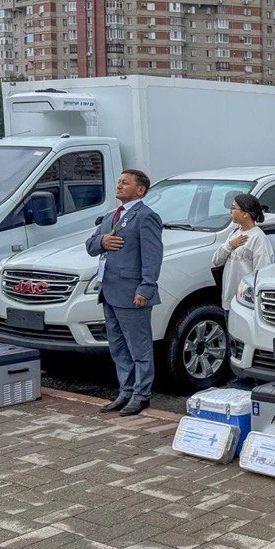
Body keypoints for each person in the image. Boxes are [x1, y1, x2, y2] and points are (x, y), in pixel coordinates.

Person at [86, 170, 164, 417]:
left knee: (139, 347)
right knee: (118, 346)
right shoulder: (111, 216)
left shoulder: (146, 217)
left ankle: (141, 395)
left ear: (140, 190)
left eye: (125, 183)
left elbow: (152, 257)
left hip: (132, 293)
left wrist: (146, 287)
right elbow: (90, 245)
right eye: (119, 181)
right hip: (109, 290)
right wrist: (102, 242)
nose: (119, 185)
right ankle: (125, 390)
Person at [212, 193, 274, 312]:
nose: (230, 211)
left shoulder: (259, 238)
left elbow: (262, 274)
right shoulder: (234, 233)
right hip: (228, 300)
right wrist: (230, 245)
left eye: (233, 208)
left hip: (246, 304)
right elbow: (216, 261)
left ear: (245, 214)